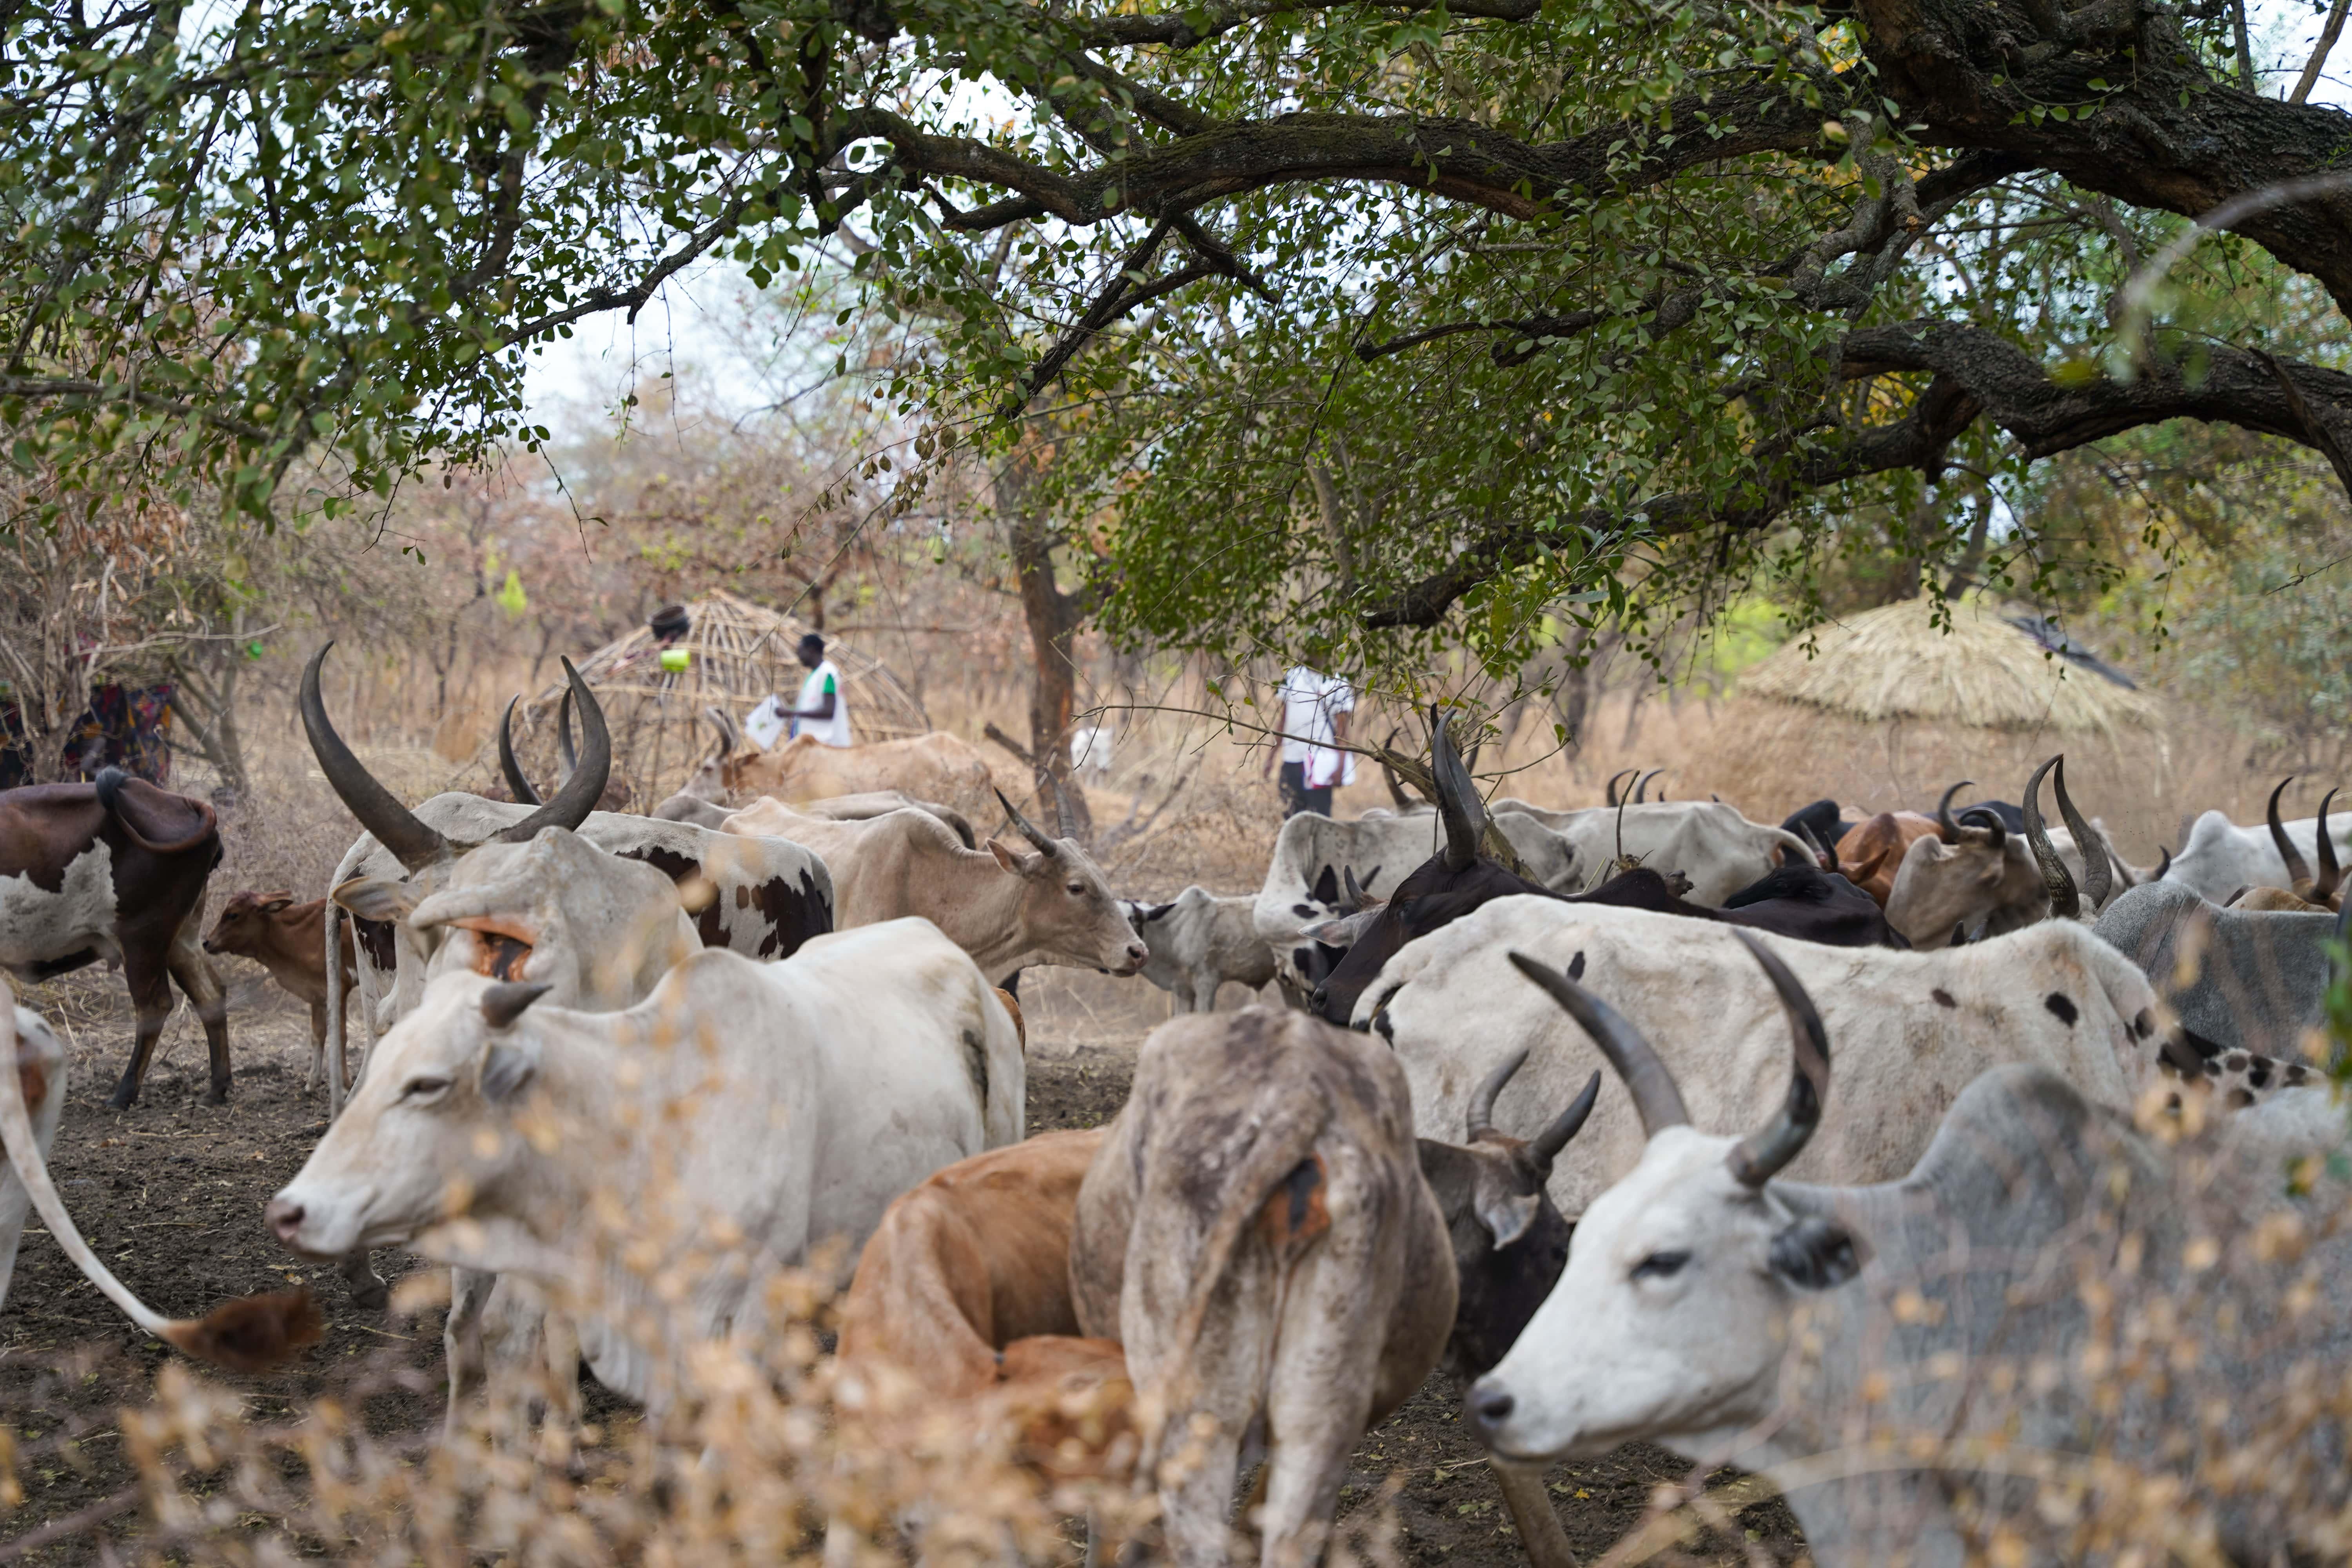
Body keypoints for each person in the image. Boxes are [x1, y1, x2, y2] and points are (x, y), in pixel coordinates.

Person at [1263, 664, 1353, 817]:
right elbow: (1283, 721)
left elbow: (1342, 731)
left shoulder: (1338, 683)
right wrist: (1271, 757)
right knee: (1291, 819)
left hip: (1319, 767)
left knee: (1319, 820)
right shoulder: (1292, 677)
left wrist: (1341, 767)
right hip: (1292, 762)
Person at [782, 632, 853, 748]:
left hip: (828, 746)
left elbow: (828, 711)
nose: (799, 656)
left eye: (800, 651)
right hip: (818, 747)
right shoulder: (815, 675)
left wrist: (793, 713)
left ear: (811, 650)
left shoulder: (827, 673)